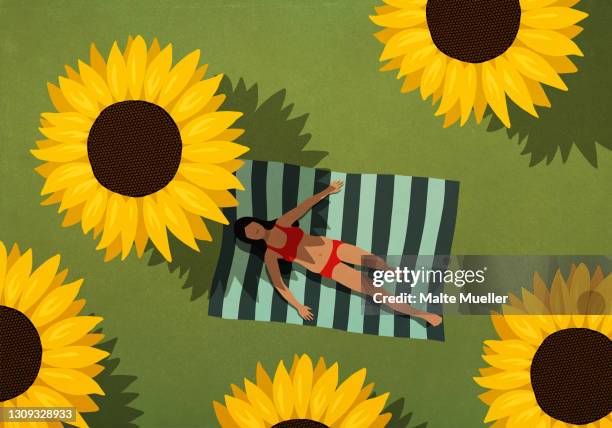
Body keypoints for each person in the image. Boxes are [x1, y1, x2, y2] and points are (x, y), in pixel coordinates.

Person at [233, 180, 442, 326]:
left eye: (251, 226)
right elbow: (279, 284)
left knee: (375, 262)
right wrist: (298, 306)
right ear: (249, 239)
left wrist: (328, 190)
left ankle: (394, 272)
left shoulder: (282, 223)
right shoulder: (270, 255)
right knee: (373, 291)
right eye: (249, 233)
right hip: (328, 268)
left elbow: (303, 206)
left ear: (256, 221)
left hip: (333, 247)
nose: (253, 230)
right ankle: (423, 315)